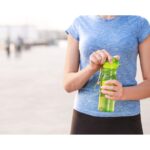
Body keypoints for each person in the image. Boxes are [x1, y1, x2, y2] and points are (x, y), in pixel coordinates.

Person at [63, 15, 150, 134]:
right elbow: (68, 84)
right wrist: (91, 68)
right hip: (84, 118)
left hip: (126, 120)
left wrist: (123, 93)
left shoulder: (140, 24)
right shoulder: (79, 23)